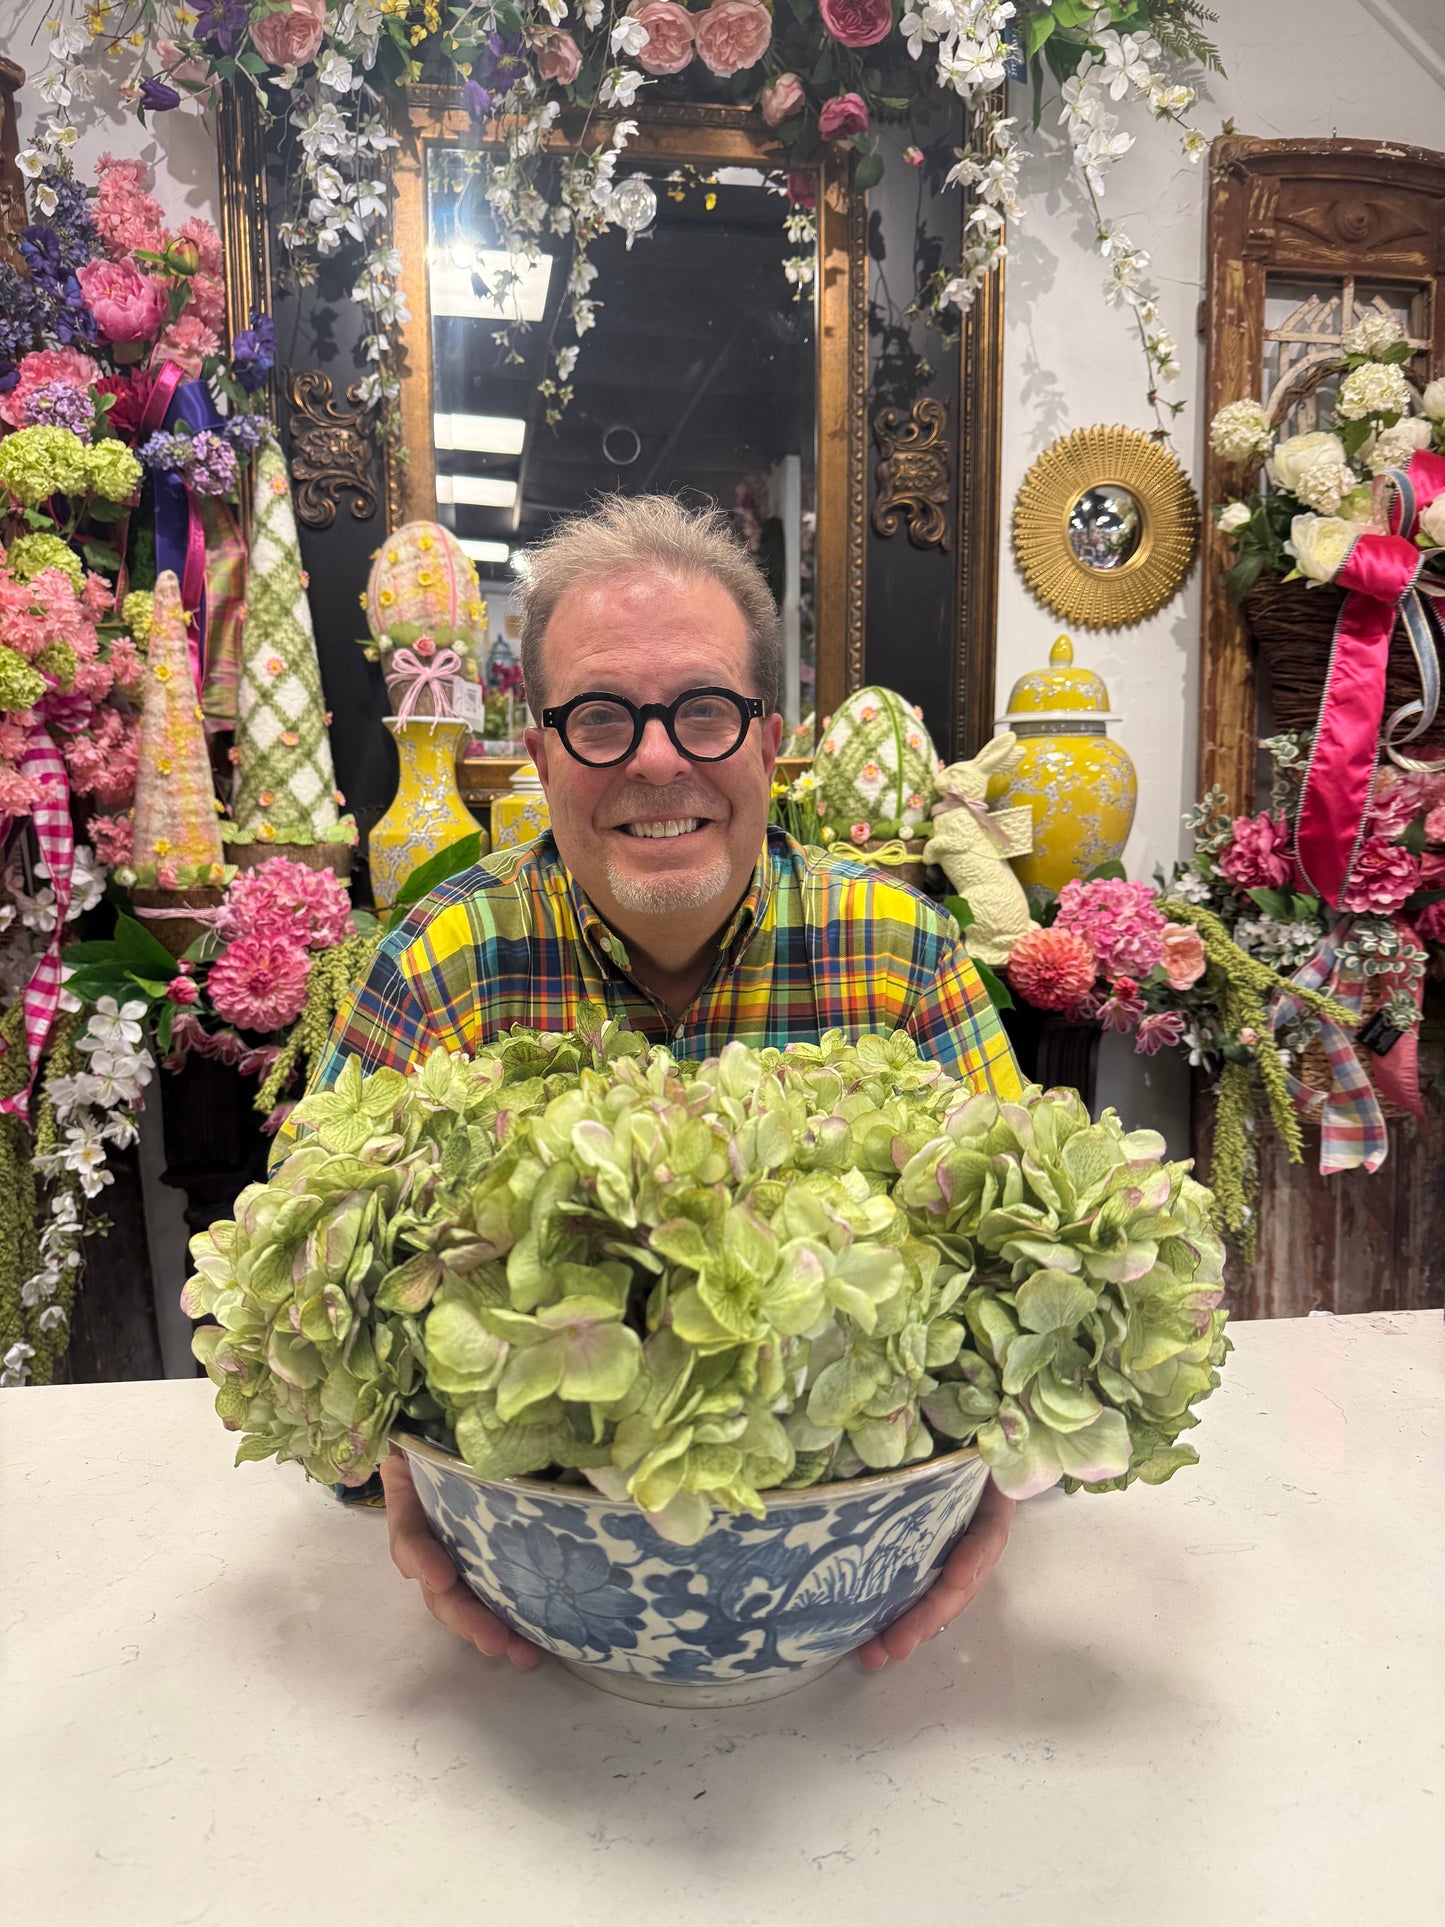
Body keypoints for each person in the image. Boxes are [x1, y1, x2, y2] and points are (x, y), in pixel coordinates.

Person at [311, 493, 1021, 1673]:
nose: (654, 759)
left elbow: (1020, 1296)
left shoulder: (900, 953)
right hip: (538, 1649)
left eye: (702, 712)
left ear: (766, 742)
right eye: (598, 717)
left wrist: (999, 1472)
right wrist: (383, 1456)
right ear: (537, 751)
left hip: (841, 1654)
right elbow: (310, 1320)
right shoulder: (439, 965)